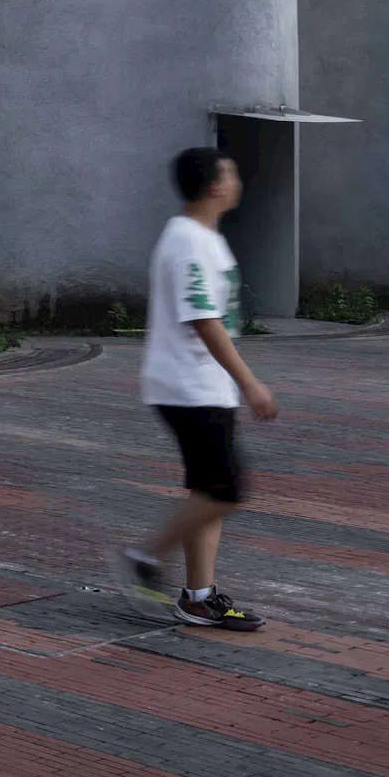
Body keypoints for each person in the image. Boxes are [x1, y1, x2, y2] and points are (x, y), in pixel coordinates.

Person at [118, 144, 279, 632]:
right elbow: (205, 320)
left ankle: (199, 597)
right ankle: (144, 558)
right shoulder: (190, 241)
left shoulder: (202, 237)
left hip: (200, 385)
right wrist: (250, 383)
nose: (237, 181)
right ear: (213, 186)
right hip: (189, 386)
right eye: (231, 174)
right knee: (226, 490)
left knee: (207, 491)